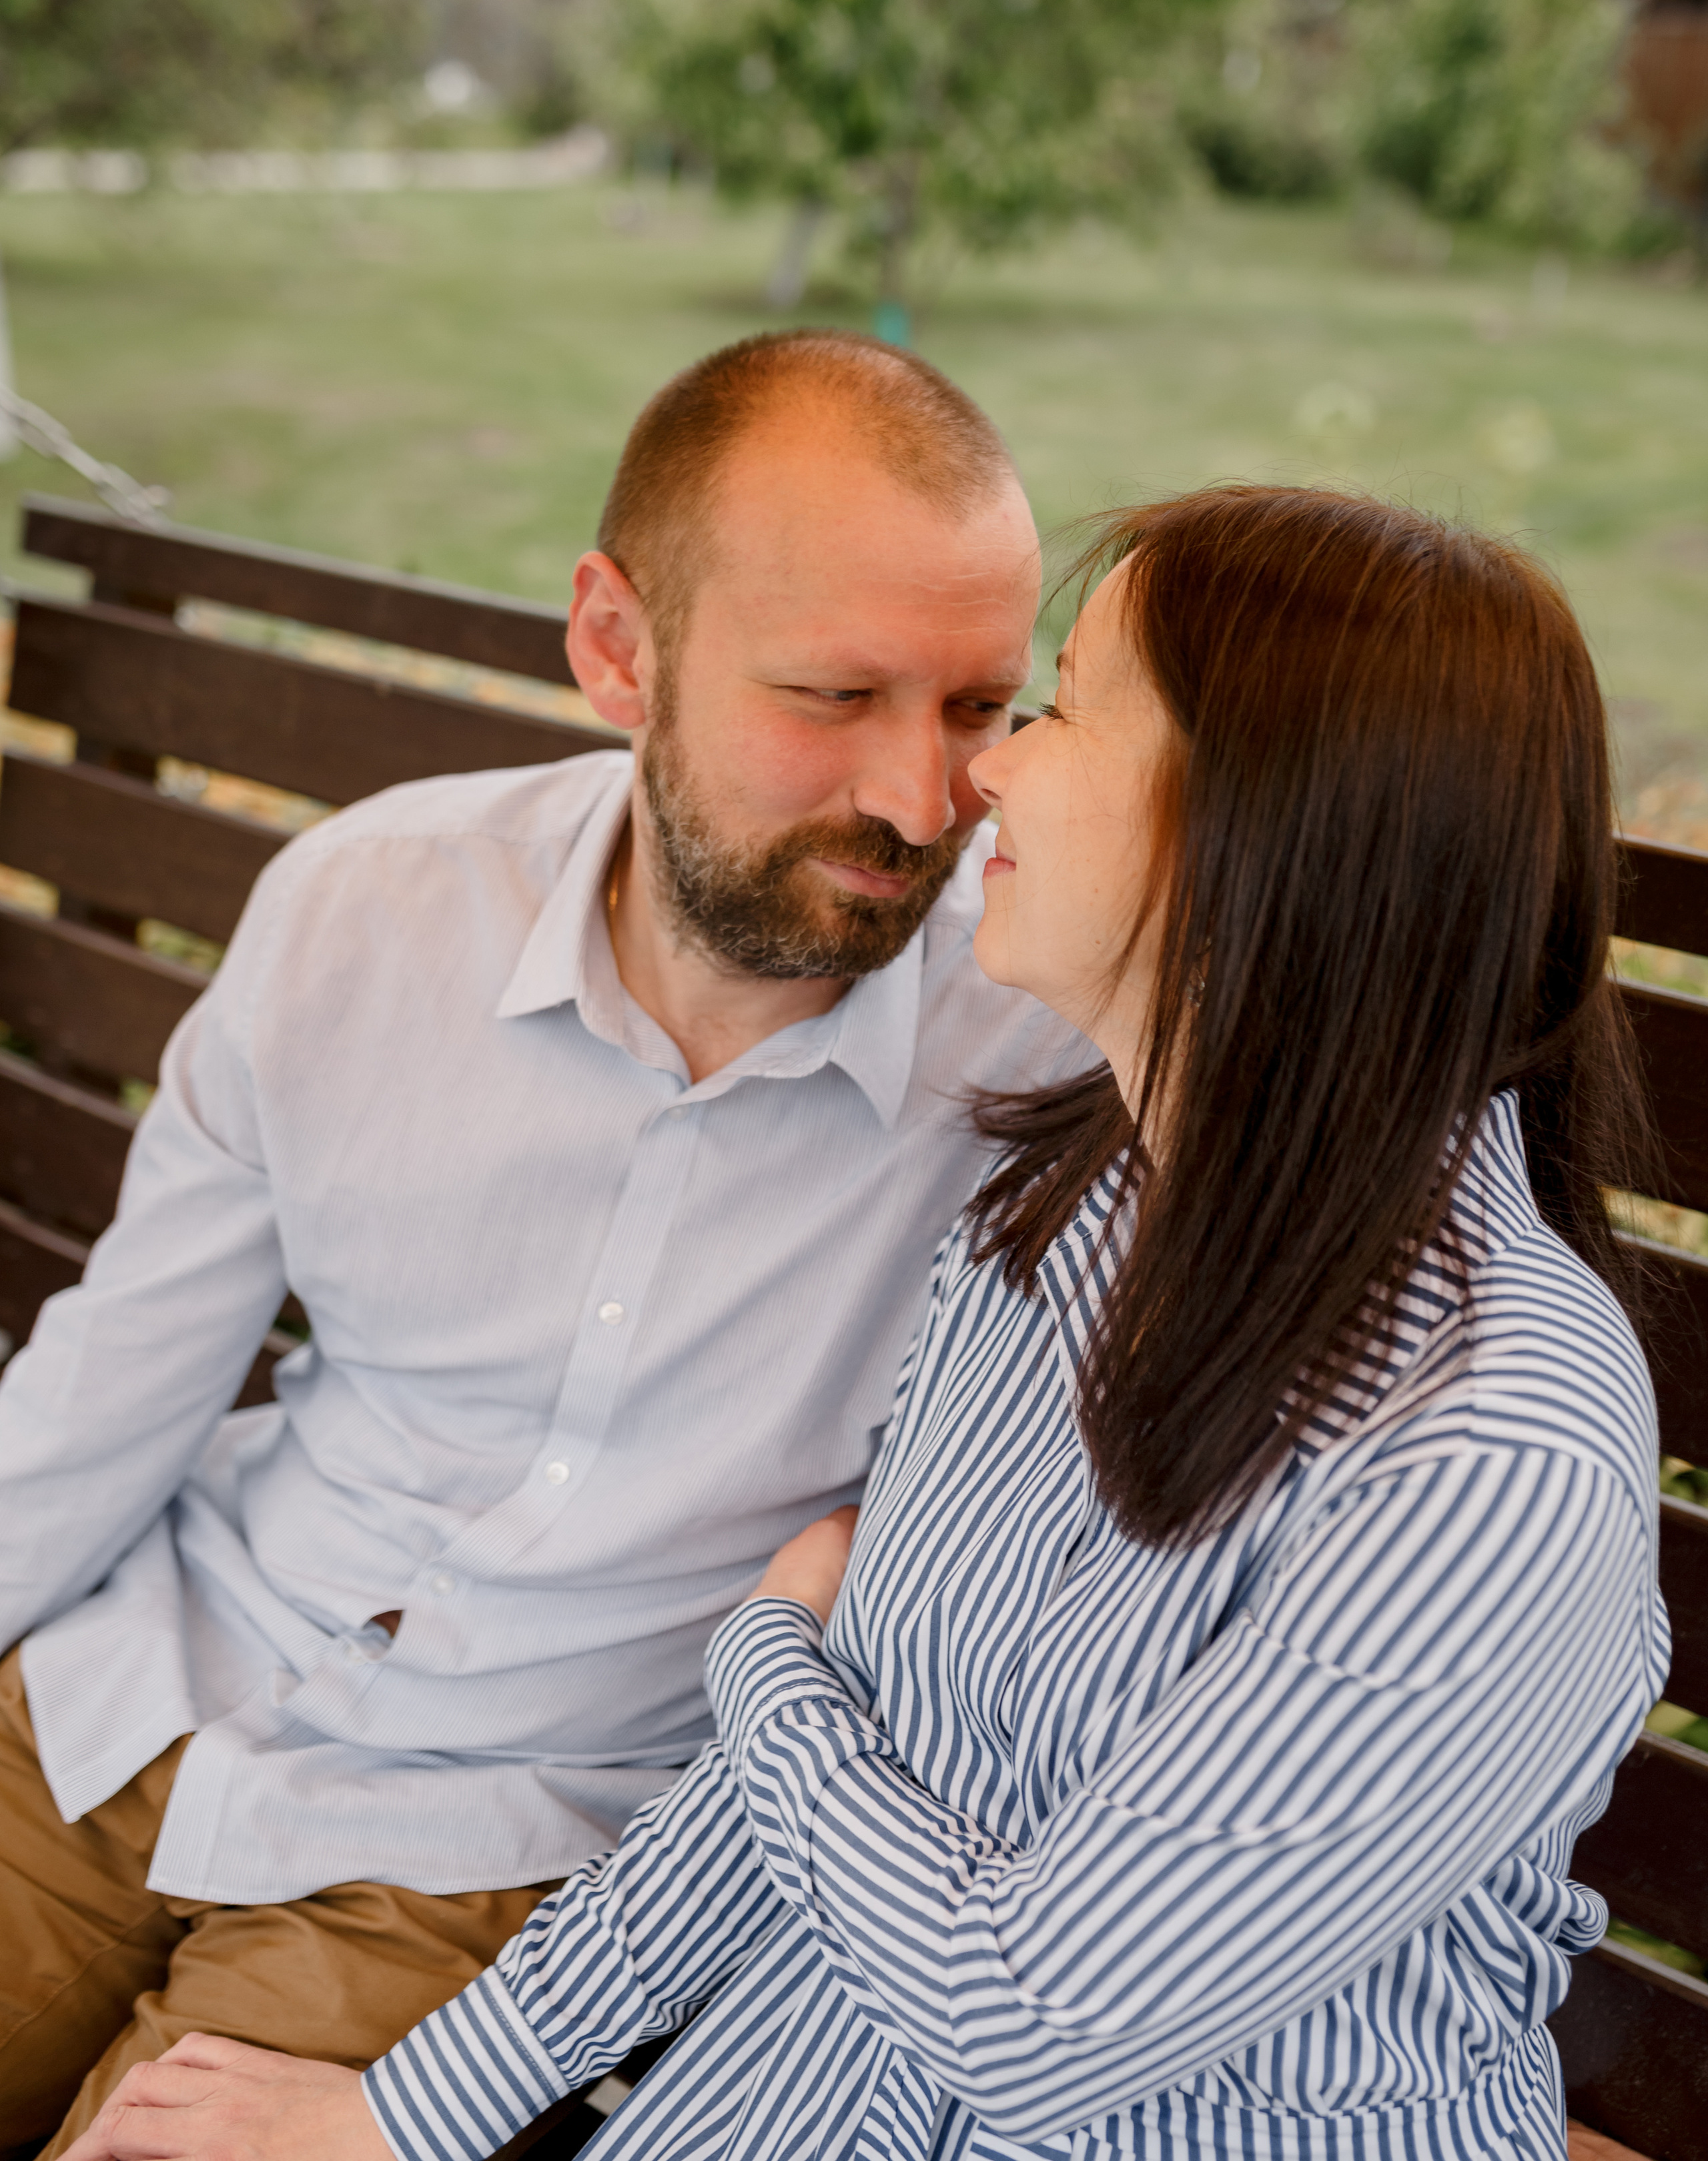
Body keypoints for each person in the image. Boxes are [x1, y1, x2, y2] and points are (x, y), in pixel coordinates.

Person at [67, 482, 1670, 2161]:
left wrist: (767, 1669)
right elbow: (800, 1804)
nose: (986, 777)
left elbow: (1029, 2028)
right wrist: (403, 2117)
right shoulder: (1058, 1222)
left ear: (1259, 826)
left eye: (1060, 712)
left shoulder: (1490, 1454)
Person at [0, 328, 1089, 2155]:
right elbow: (118, 1375)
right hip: (128, 1692)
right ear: (615, 646)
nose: (920, 803)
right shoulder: (364, 907)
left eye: (981, 709)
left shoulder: (1059, 1033)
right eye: (832, 696)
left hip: (495, 1845)